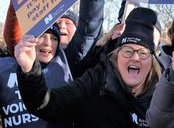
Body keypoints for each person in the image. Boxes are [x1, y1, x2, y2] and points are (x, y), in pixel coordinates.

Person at [14, 7, 161, 128]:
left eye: (143, 53)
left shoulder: (165, 91)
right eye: (127, 51)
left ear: (153, 60)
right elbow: (47, 105)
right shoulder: (96, 80)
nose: (135, 58)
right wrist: (29, 69)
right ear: (116, 56)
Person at [4, 0, 105, 78]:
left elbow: (89, 26)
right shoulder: (22, 54)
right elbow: (13, 35)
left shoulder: (70, 61)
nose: (62, 26)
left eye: (68, 23)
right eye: (42, 36)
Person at [0, 24, 73, 128]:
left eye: (54, 38)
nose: (48, 43)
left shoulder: (66, 64)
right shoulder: (4, 66)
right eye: (41, 35)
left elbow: (88, 33)